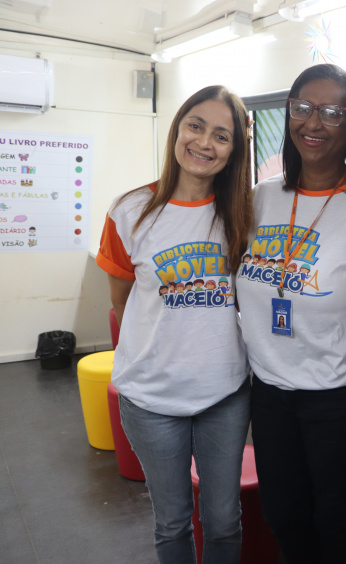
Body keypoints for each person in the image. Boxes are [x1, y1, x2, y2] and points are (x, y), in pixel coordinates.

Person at [96, 85, 253, 564]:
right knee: (172, 521)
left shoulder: (245, 214)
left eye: (222, 136)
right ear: (177, 130)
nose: (205, 142)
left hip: (224, 393)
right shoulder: (130, 211)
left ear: (234, 151)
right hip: (150, 397)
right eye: (196, 126)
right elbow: (123, 304)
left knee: (224, 519)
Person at [236, 64, 346, 564]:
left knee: (337, 517)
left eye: (331, 111)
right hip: (272, 395)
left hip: (343, 397)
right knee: (283, 514)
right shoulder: (261, 198)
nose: (312, 122)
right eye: (302, 108)